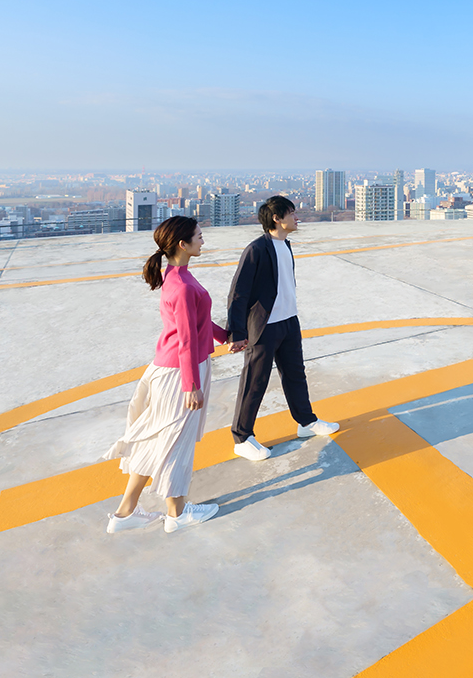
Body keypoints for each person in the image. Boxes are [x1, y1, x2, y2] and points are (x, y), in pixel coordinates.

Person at [104, 215, 234, 534]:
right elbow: (187, 339)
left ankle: (124, 514)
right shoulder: (183, 286)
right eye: (199, 237)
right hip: (180, 374)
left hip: (169, 369)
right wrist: (191, 385)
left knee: (157, 441)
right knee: (177, 443)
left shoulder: (175, 276)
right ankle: (176, 514)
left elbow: (194, 324)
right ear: (182, 244)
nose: (203, 241)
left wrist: (226, 337)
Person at [227, 195, 338, 460]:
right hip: (264, 327)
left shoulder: (285, 245)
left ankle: (306, 423)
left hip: (289, 321)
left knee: (296, 374)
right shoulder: (256, 249)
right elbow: (238, 294)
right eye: (292, 213)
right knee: (255, 382)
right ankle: (242, 438)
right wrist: (238, 333)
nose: (297, 217)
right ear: (277, 218)